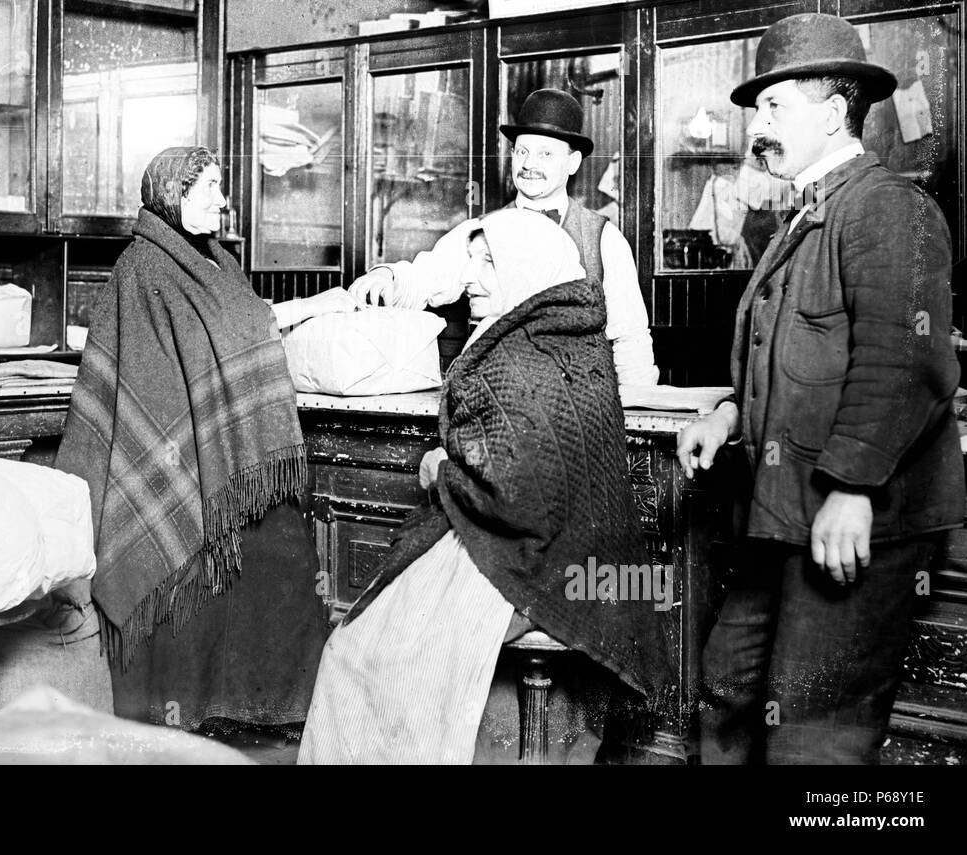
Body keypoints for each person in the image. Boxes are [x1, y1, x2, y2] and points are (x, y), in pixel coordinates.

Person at [676, 13, 964, 764]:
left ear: (835, 113)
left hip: (850, 516)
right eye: (758, 108)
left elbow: (906, 361)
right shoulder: (805, 214)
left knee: (813, 734)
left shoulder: (887, 207)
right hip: (782, 514)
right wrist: (733, 411)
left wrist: (853, 488)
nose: (757, 123)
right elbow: (805, 354)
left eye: (776, 106)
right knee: (726, 693)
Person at [300, 209, 671, 764]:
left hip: (527, 562)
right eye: (472, 260)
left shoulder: (512, 361)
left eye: (488, 263)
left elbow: (508, 495)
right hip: (583, 566)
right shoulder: (573, 340)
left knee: (363, 656)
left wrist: (440, 470)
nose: (472, 276)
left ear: (524, 270)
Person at [55, 146, 355, 733]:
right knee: (184, 573)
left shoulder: (217, 259)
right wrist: (314, 304)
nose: (222, 200)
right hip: (177, 455)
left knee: (281, 560)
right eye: (210, 188)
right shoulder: (140, 269)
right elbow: (153, 373)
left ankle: (258, 708)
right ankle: (186, 711)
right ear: (174, 193)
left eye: (222, 186)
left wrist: (323, 304)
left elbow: (245, 325)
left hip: (230, 458)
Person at [350, 88, 658, 388]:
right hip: (498, 399)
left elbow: (630, 339)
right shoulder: (481, 229)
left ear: (573, 163)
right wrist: (389, 275)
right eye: (522, 151)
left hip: (577, 408)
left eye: (545, 153)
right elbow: (427, 276)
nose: (529, 164)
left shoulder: (604, 238)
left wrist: (634, 417)